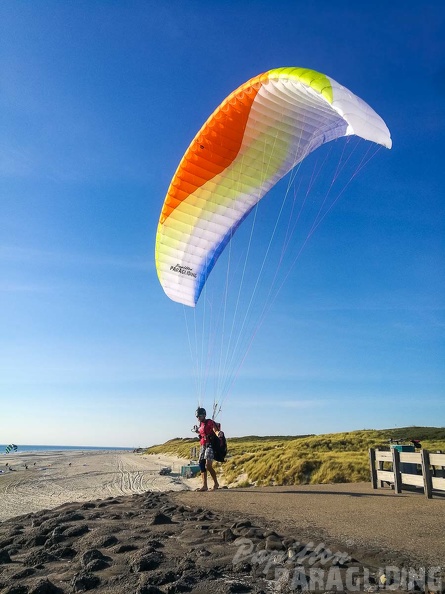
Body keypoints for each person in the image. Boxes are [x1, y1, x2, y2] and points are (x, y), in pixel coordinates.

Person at [194, 407, 219, 491]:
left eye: (200, 416)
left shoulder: (209, 422)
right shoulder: (200, 425)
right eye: (197, 416)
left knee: (208, 466)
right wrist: (196, 431)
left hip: (210, 445)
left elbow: (215, 430)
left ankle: (216, 483)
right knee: (201, 464)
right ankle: (204, 486)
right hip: (203, 445)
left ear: (204, 415)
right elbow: (201, 432)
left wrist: (218, 433)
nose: (198, 418)